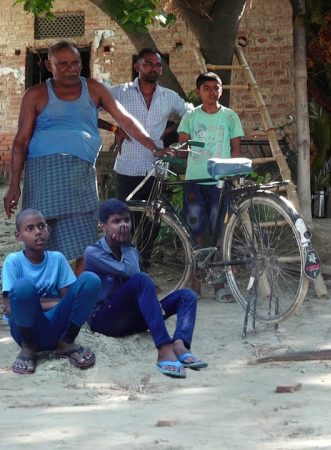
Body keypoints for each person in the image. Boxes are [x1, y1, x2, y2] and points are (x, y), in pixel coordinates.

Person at [3, 41, 163, 274]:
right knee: (39, 239)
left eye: (76, 62)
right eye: (63, 64)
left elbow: (124, 118)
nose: (71, 68)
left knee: (84, 243)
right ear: (49, 65)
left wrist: (153, 146)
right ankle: (47, 298)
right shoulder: (36, 94)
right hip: (43, 175)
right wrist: (14, 184)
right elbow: (20, 142)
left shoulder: (94, 88)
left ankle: (81, 299)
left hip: (80, 174)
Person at [84, 199, 205, 379]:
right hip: (105, 321)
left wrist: (154, 305)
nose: (123, 225)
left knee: (187, 295)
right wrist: (127, 244)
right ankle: (164, 349)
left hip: (132, 318)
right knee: (141, 279)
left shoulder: (130, 251)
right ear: (103, 226)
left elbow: (140, 286)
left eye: (126, 220)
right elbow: (133, 274)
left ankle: (180, 345)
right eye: (116, 221)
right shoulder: (93, 252)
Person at [100, 48, 193, 271]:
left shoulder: (168, 96)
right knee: (124, 222)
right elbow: (88, 109)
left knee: (154, 222)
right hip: (127, 167)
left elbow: (190, 113)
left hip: (156, 169)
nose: (155, 69)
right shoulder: (119, 93)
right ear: (137, 66)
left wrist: (173, 130)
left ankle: (143, 268)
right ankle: (123, 268)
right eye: (149, 64)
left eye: (158, 65)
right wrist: (113, 127)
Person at [2, 208, 100, 375]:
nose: (37, 232)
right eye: (30, 228)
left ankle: (67, 342)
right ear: (18, 236)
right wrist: (53, 302)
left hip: (58, 330)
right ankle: (28, 349)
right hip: (26, 331)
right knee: (23, 286)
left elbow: (70, 301)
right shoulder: (13, 261)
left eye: (41, 226)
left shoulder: (57, 259)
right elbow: (11, 308)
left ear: (49, 230)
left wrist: (36, 304)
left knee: (91, 280)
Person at [177, 72, 244, 300]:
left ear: (221, 90)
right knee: (196, 233)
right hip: (195, 181)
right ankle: (195, 282)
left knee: (219, 233)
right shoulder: (190, 117)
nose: (212, 92)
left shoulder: (230, 117)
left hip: (219, 182)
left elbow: (236, 149)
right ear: (198, 92)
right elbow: (183, 146)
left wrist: (232, 175)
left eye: (216, 88)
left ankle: (219, 285)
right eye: (207, 88)